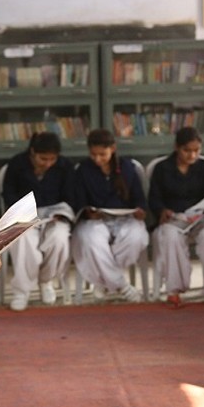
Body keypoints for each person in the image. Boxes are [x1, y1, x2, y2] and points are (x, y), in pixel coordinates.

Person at [149, 127, 204, 308]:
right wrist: (162, 210)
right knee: (170, 237)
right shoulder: (162, 169)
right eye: (187, 150)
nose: (192, 155)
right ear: (177, 147)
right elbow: (154, 199)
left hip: (201, 217)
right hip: (174, 218)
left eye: (196, 151)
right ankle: (175, 290)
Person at [71, 128, 148, 303]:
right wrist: (88, 213)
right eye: (93, 155)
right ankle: (122, 286)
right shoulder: (83, 170)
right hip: (95, 221)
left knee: (136, 237)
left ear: (112, 148)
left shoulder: (128, 168)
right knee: (90, 239)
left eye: (102, 155)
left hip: (125, 219)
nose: (97, 159)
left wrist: (140, 211)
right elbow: (79, 201)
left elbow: (139, 200)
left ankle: (104, 282)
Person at [1, 132, 76, 311]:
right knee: (23, 241)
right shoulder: (17, 164)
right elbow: (8, 194)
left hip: (54, 216)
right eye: (43, 159)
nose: (48, 163)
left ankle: (46, 281)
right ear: (32, 152)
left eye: (52, 159)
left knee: (59, 240)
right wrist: (22, 213)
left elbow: (72, 195)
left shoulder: (65, 166)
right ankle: (21, 291)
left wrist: (62, 214)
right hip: (25, 216)